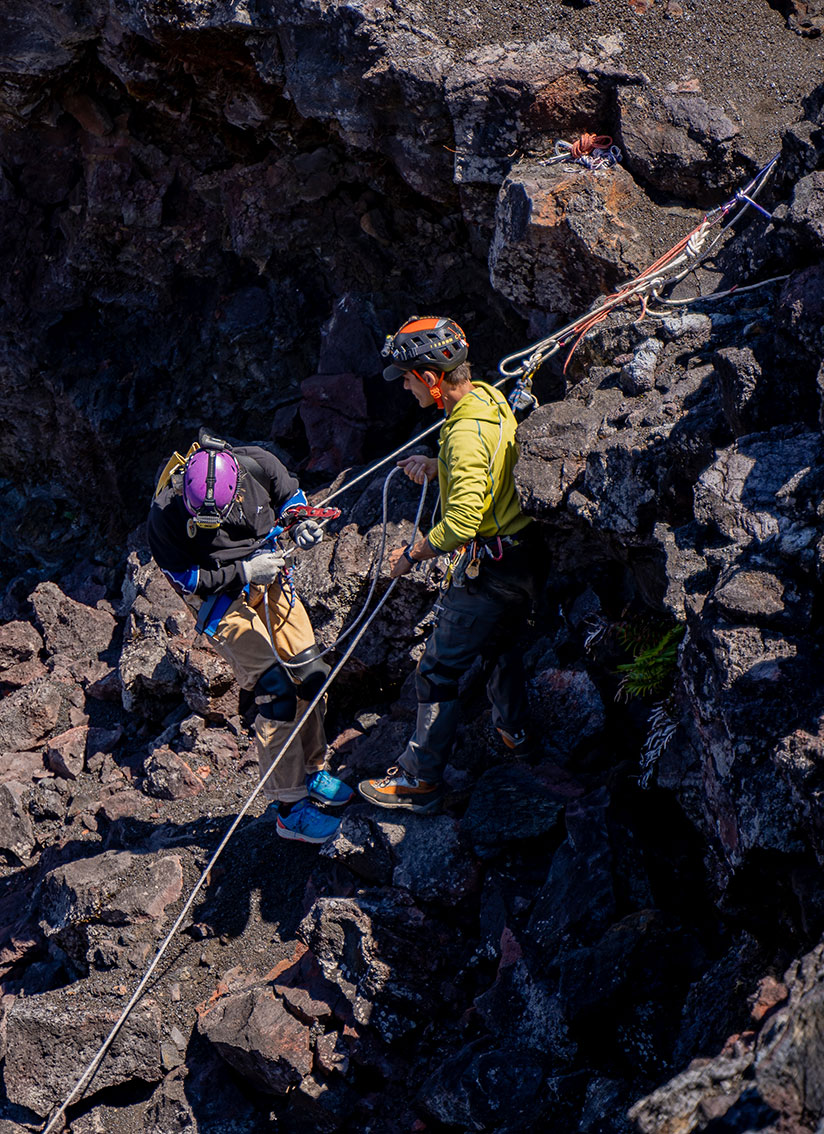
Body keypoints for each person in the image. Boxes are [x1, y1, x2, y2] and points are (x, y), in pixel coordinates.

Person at [358, 318, 549, 813]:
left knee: (438, 670)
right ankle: (514, 732)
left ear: (430, 377)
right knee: (499, 644)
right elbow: (482, 472)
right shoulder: (486, 396)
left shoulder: (462, 432)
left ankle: (419, 780)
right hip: (523, 553)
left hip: (492, 564)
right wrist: (436, 468)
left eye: (406, 377)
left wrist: (413, 554)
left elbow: (463, 521)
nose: (403, 386)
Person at [146, 433, 353, 843]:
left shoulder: (258, 464)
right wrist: (242, 573)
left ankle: (313, 770)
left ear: (237, 486)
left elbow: (291, 499)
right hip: (219, 598)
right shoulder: (164, 515)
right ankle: (289, 809)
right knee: (274, 692)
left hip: (270, 573)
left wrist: (302, 526)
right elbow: (187, 580)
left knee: (312, 675)